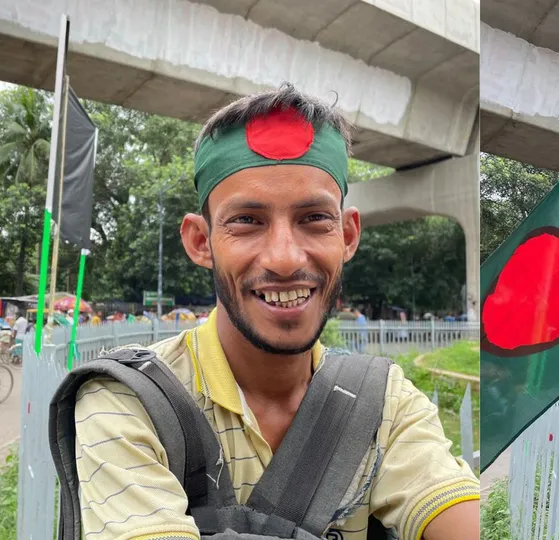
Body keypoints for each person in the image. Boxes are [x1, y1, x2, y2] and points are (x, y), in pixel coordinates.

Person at [66, 85, 479, 539]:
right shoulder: (128, 403)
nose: (284, 259)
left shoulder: (385, 403)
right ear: (201, 241)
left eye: (314, 219)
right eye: (246, 221)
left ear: (347, 235)